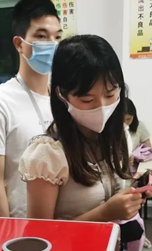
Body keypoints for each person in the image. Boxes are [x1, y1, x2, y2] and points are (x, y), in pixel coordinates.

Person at [19, 35, 144, 223]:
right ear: (61, 95)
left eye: (110, 94)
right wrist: (105, 213)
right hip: (71, 244)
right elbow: (39, 233)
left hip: (112, 241)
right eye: (87, 100)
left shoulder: (118, 136)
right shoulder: (48, 156)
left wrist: (132, 197)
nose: (101, 107)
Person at [0, 0, 62, 217]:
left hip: (65, 220)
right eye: (42, 36)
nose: (52, 44)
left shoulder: (63, 99)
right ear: (19, 44)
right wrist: (9, 231)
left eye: (57, 37)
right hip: (22, 224)